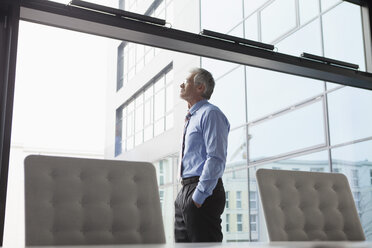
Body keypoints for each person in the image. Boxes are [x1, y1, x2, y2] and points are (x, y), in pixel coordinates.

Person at [174, 68, 230, 242]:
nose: (181, 84)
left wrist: (199, 196)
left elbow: (216, 158)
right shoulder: (191, 118)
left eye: (187, 81)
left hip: (201, 191)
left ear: (200, 87)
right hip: (185, 191)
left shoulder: (210, 114)